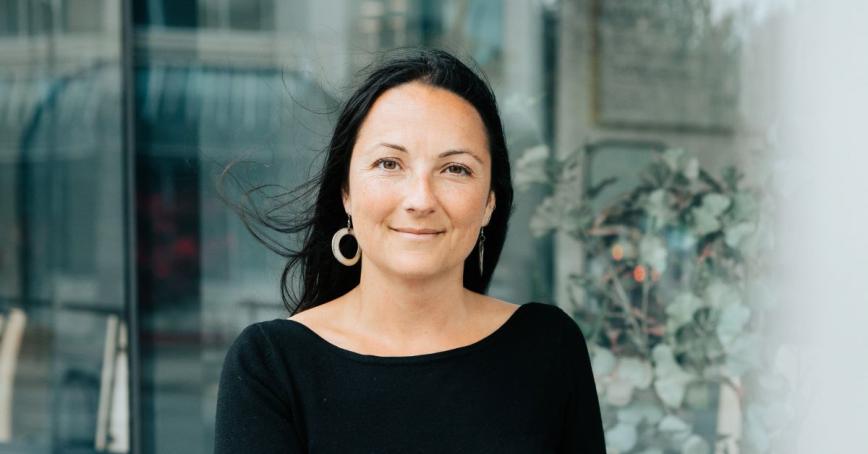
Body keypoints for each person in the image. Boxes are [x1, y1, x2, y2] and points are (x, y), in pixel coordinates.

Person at [214, 48, 605, 453]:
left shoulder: (548, 347)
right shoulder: (271, 364)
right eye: (389, 163)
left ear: (490, 201)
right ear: (346, 191)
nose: (421, 200)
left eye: (455, 169)